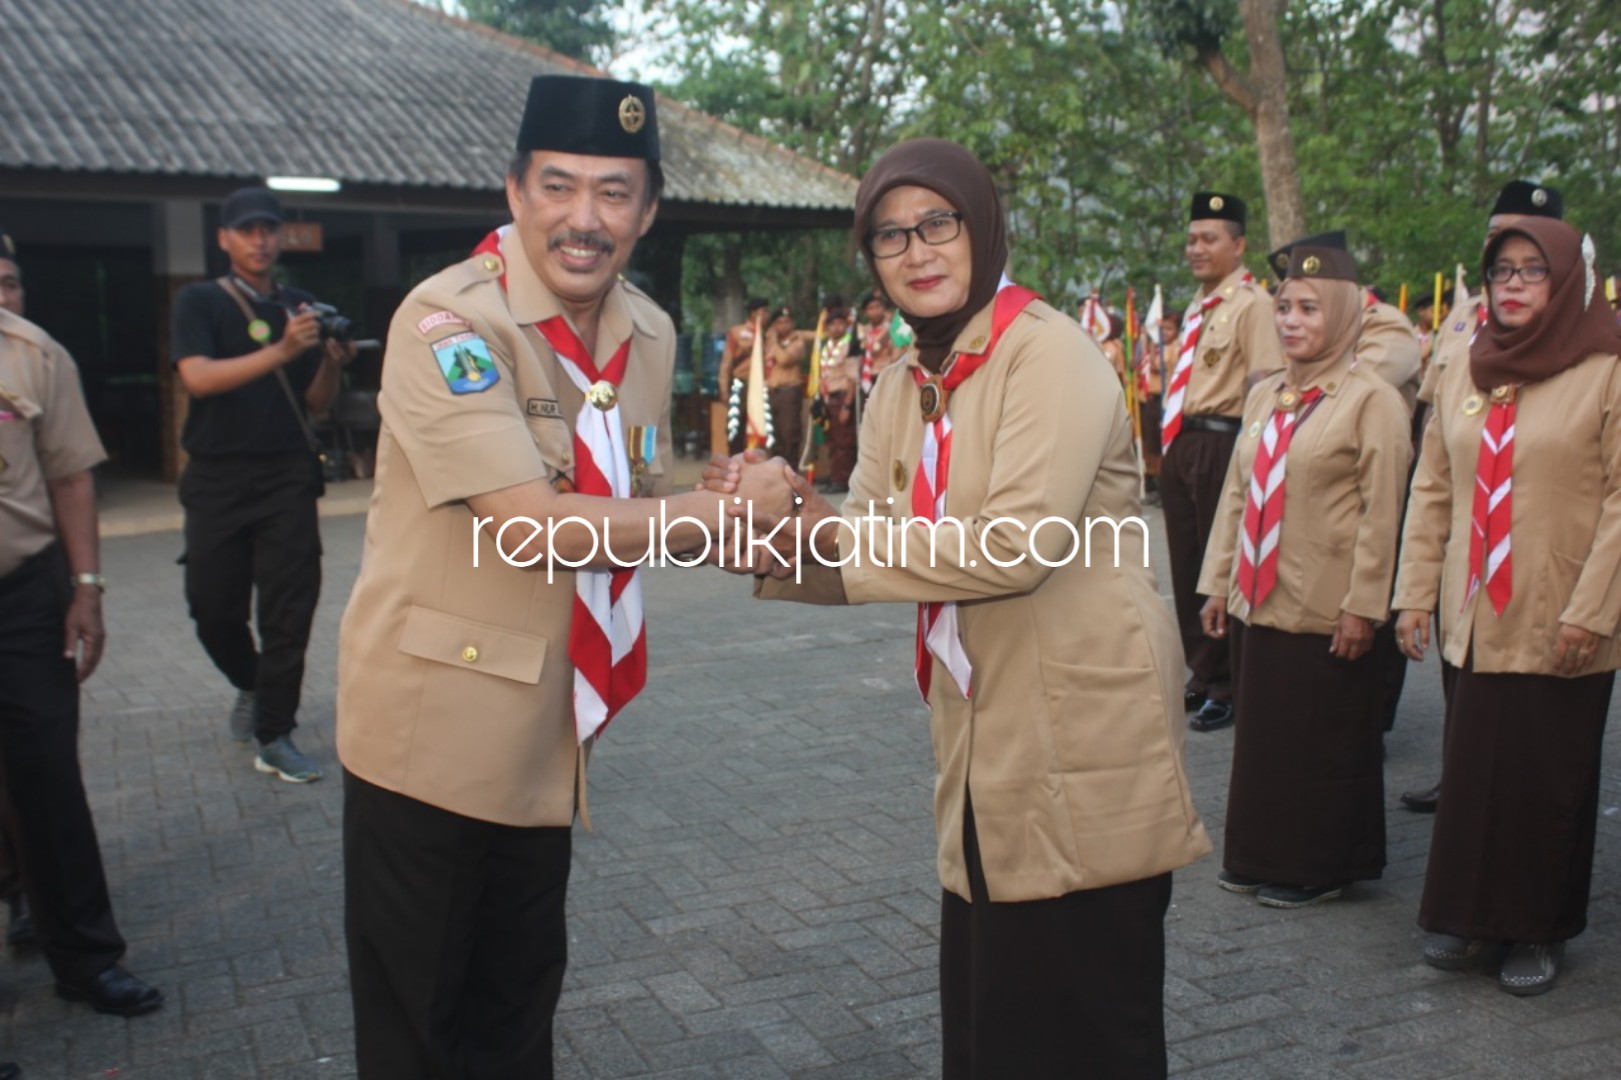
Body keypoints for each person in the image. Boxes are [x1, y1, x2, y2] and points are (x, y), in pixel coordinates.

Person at [709, 137, 1210, 1079]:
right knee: (995, 1013)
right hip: (984, 725)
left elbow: (1012, 548)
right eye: (888, 236)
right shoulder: (909, 381)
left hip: (1080, 718)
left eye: (936, 223)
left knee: (1089, 1018)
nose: (916, 251)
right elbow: (871, 535)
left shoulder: (1045, 354)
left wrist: (816, 525)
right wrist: (758, 533)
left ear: (979, 226)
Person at [335, 75, 771, 1078]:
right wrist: (704, 516)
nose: (586, 219)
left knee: (517, 1010)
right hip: (432, 731)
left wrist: (745, 504)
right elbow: (530, 527)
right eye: (561, 187)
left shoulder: (647, 335)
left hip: (543, 729)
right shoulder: (449, 323)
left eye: (614, 193)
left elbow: (636, 507)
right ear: (516, 192)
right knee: (418, 1029)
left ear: (648, 210)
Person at [1392, 217, 1621, 996]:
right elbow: (1432, 489)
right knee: (1472, 772)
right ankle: (1467, 916)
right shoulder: (1465, 365)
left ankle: (1536, 928)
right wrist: (1413, 593)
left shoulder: (1605, 369)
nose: (1513, 284)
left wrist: (1591, 611)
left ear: (1567, 283)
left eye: (1532, 270)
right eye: (1501, 272)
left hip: (1562, 611)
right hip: (1473, 616)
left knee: (1544, 778)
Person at [1197, 243, 1412, 908]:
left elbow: (1383, 516)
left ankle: (1322, 866)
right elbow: (1237, 494)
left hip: (1327, 606)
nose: (1289, 320)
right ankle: (1260, 854)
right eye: (1284, 306)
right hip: (1259, 600)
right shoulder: (1266, 394)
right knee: (1264, 742)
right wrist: (1215, 581)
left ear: (1345, 315)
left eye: (1308, 309)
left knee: (1323, 744)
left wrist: (1363, 607)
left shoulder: (1369, 401)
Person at [0, 303, 163, 1022]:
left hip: (23, 597)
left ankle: (86, 960)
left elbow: (70, 477)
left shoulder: (31, 353)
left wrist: (87, 589)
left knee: (47, 779)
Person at [170, 186, 355, 783]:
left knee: (288, 611)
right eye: (247, 230)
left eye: (269, 229)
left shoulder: (300, 308)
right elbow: (197, 379)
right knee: (212, 606)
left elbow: (317, 406)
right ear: (224, 239)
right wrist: (281, 349)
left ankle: (275, 732)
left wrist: (327, 358)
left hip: (285, 478)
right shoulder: (198, 301)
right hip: (217, 477)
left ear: (282, 236)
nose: (259, 240)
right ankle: (251, 684)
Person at [1400, 179, 1565, 814]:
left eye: (1522, 239)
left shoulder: (1581, 339)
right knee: (1459, 652)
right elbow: (1436, 398)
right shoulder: (1468, 312)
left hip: (1532, 522)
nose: (1505, 251)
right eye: (1496, 236)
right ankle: (1457, 766)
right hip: (1466, 486)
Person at [1161, 192, 1284, 732]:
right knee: (1187, 564)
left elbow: (1264, 380)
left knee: (1220, 565)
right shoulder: (1199, 303)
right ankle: (1202, 671)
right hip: (1182, 440)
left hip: (1223, 440)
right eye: (1191, 239)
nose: (1196, 248)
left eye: (1209, 238)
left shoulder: (1252, 303)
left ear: (1239, 245)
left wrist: (1252, 457)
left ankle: (1230, 683)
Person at [813, 296, 858, 492]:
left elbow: (852, 378)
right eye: (832, 324)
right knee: (831, 441)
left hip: (842, 397)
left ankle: (843, 480)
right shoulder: (826, 346)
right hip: (827, 398)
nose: (836, 328)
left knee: (844, 442)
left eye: (840, 324)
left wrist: (847, 404)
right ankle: (834, 475)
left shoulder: (850, 344)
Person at [762, 305, 811, 465]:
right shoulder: (767, 343)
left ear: (793, 324)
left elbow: (784, 359)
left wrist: (774, 342)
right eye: (779, 322)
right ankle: (775, 469)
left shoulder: (797, 342)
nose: (784, 326)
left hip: (789, 392)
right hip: (770, 392)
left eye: (787, 322)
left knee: (789, 433)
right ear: (774, 325)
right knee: (773, 434)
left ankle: (790, 470)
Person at [718, 296, 768, 453]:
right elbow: (726, 362)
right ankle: (734, 459)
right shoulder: (737, 332)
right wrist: (724, 388)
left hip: (761, 386)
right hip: (740, 383)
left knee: (759, 424)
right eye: (763, 311)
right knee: (735, 424)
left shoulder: (770, 334)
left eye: (767, 311)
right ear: (753, 313)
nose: (766, 314)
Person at [856, 287, 899, 399]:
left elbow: (880, 350)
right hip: (868, 379)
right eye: (870, 308)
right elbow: (863, 353)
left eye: (878, 307)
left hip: (887, 377)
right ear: (865, 312)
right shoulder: (863, 331)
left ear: (884, 309)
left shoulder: (893, 329)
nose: (875, 311)